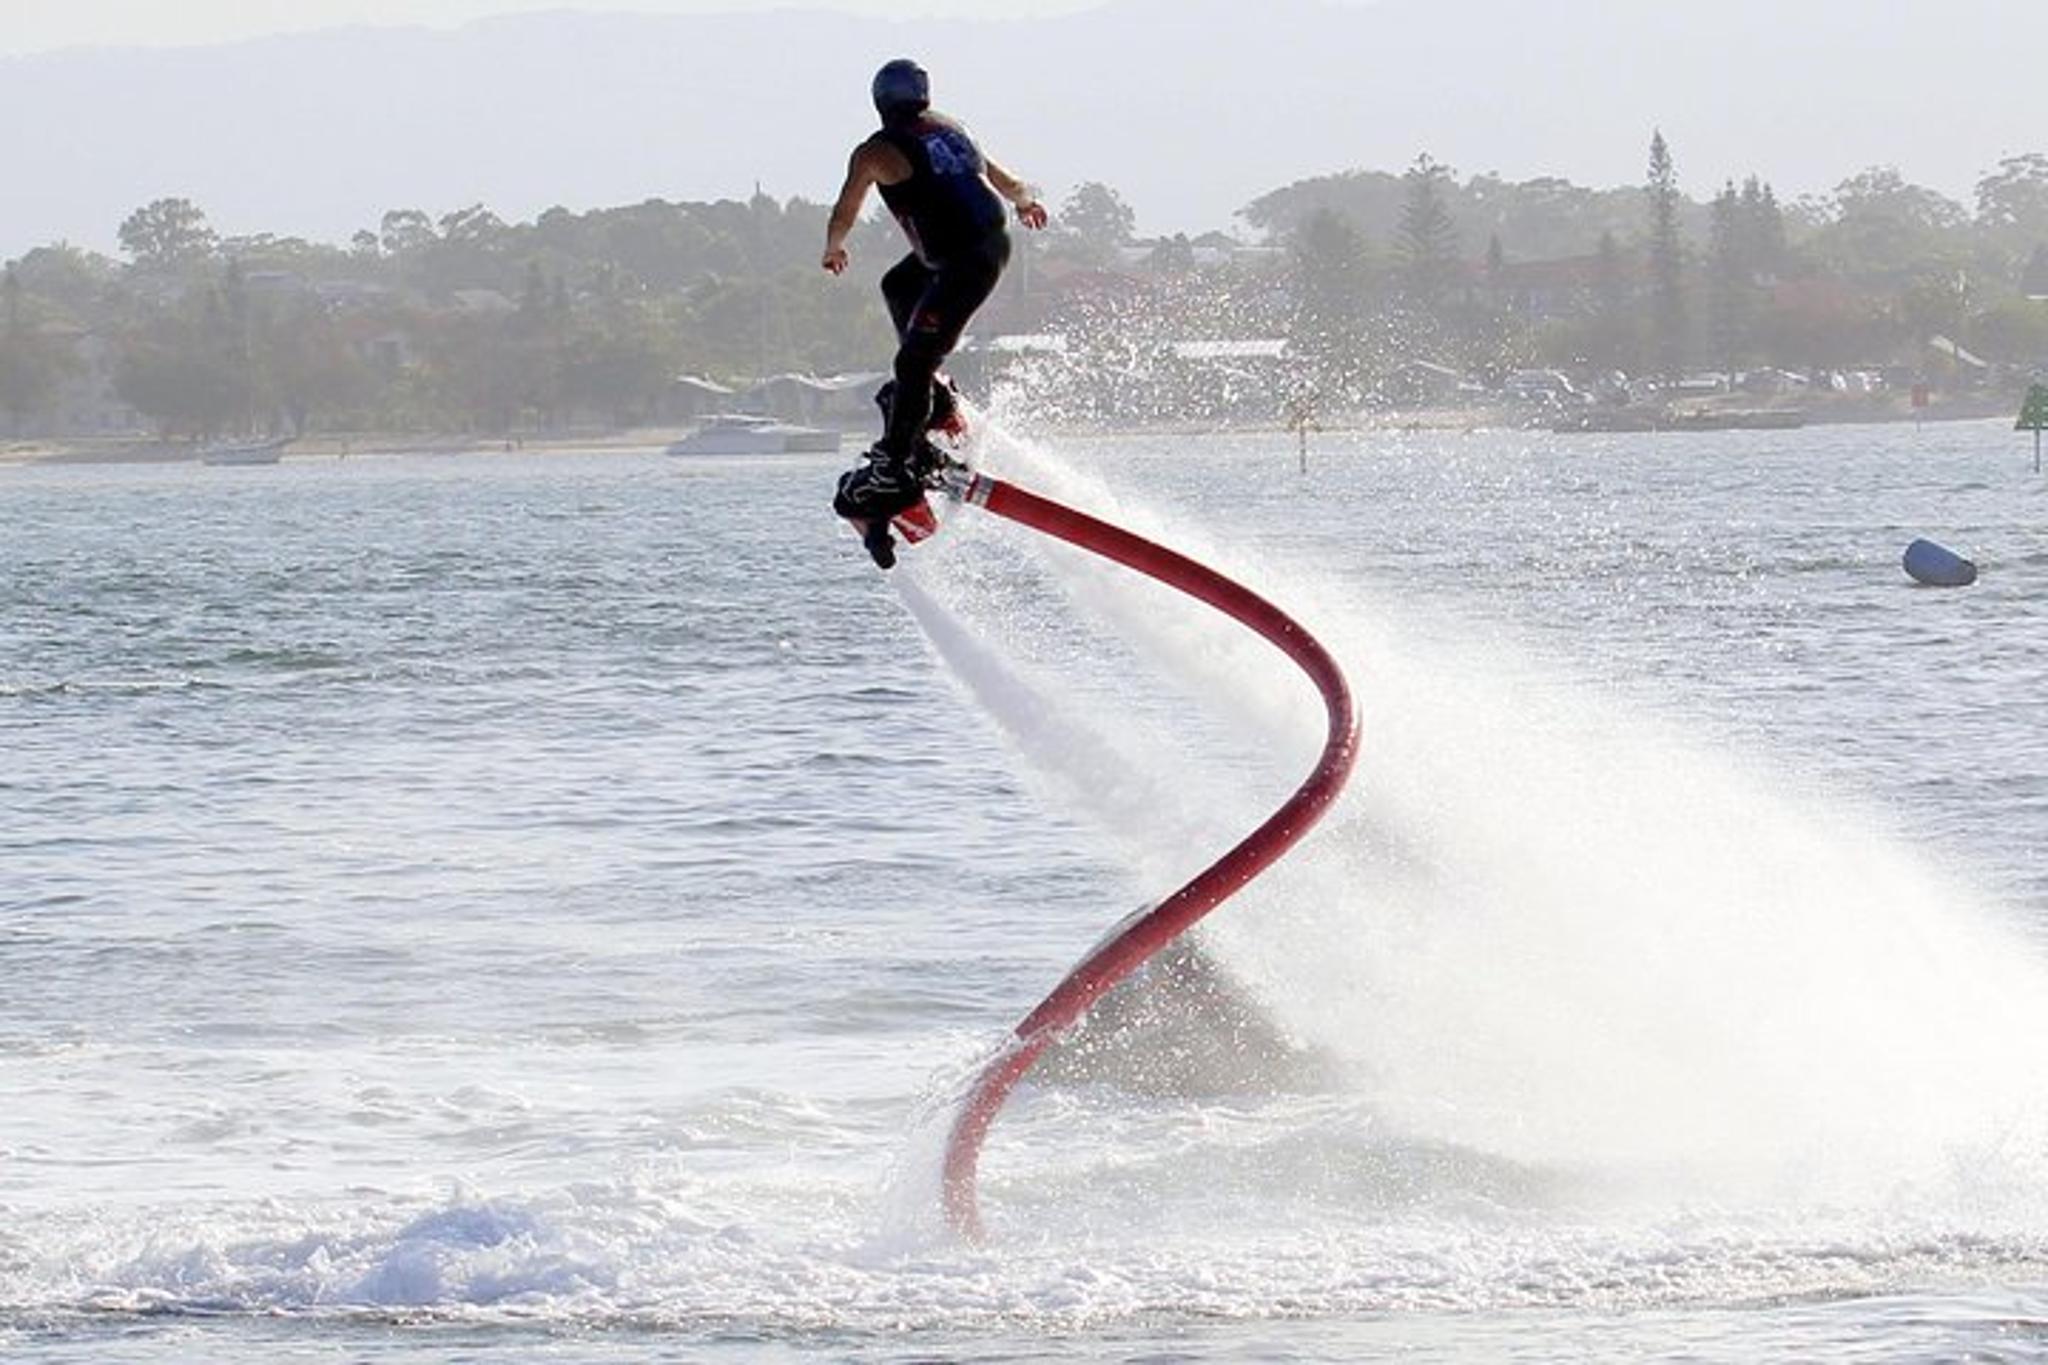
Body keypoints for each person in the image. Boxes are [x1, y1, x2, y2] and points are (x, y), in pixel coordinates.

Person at [822, 57, 1048, 567]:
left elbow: (846, 209)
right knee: (899, 283)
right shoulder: (950, 130)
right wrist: (1026, 200)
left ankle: (895, 466)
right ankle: (933, 402)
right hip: (975, 251)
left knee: (910, 364)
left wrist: (833, 246)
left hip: (964, 264)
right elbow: (1005, 179)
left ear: (880, 102)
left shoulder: (875, 152)